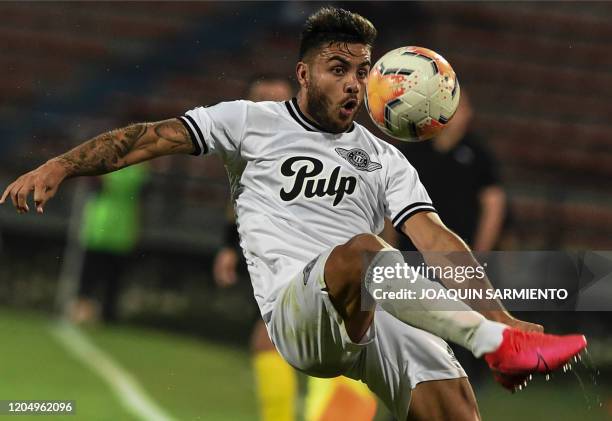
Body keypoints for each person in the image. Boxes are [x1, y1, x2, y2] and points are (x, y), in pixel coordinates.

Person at [1, 7, 587, 420]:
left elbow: (437, 240)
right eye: (339, 68)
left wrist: (503, 312)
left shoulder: (384, 157)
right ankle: (492, 344)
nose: (354, 84)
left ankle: (497, 342)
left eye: (362, 71)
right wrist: (59, 166)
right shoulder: (250, 122)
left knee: (458, 407)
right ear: (304, 74)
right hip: (297, 312)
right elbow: (147, 138)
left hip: (373, 310)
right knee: (364, 251)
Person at [214, 74, 377, 421]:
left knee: (295, 345)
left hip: (332, 263)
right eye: (261, 99)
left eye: (277, 100)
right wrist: (229, 245)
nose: (268, 107)